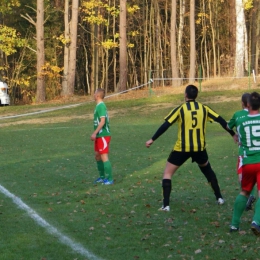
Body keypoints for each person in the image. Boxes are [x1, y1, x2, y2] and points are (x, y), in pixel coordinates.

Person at [145, 84, 235, 211]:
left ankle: (166, 205)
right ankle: (219, 198)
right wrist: (233, 134)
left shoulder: (181, 109)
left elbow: (166, 125)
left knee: (167, 173)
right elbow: (221, 121)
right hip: (199, 148)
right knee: (207, 170)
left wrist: (152, 139)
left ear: (185, 95)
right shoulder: (204, 108)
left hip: (182, 148)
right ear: (196, 95)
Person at [230, 92, 260, 235]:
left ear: (247, 105)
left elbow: (231, 127)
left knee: (244, 192)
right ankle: (256, 221)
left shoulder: (240, 120)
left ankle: (234, 225)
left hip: (247, 162)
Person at [227, 93, 256, 211]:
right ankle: (250, 195)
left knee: (242, 176)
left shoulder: (238, 115)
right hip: (257, 150)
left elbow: (228, 126)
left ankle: (248, 195)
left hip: (244, 152)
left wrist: (235, 134)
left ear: (243, 103)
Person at [91, 88, 113, 185]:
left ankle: (110, 179)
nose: (93, 94)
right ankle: (102, 177)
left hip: (103, 135)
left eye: (94, 93)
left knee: (104, 156)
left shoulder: (101, 106)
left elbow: (103, 121)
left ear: (97, 96)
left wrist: (94, 133)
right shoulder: (98, 106)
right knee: (97, 155)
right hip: (99, 135)